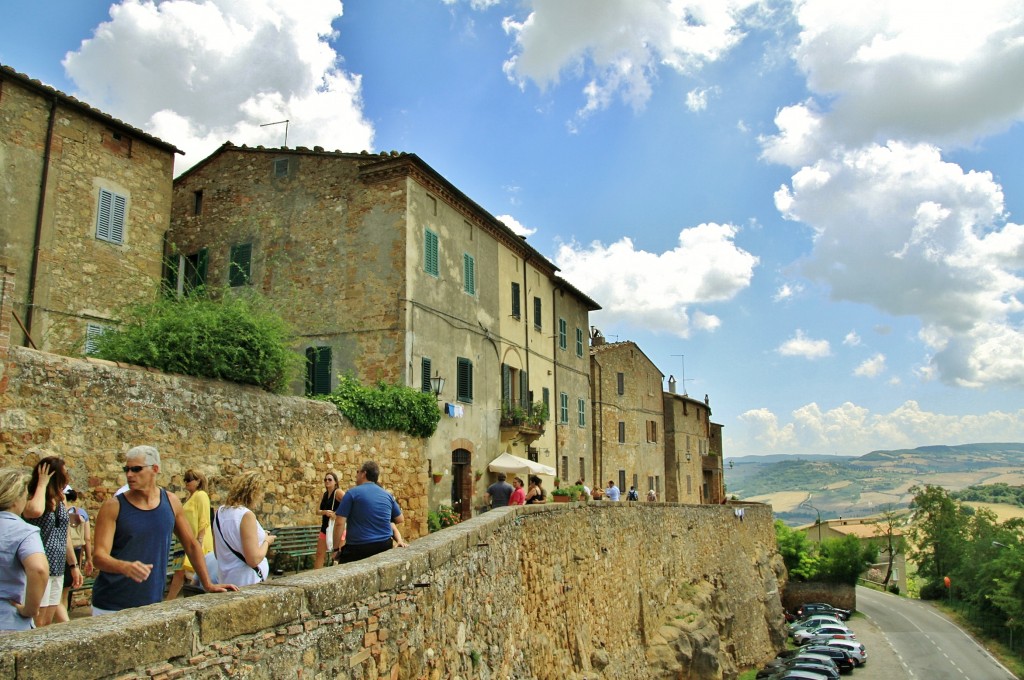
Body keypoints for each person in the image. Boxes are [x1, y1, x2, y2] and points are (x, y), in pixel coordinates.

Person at [92, 446, 236, 614]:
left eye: (136, 469)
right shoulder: (113, 506)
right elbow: (99, 557)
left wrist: (208, 583)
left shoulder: (171, 502)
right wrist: (124, 567)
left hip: (151, 602)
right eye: (127, 469)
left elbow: (190, 544)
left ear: (155, 469)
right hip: (111, 604)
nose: (129, 474)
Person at [22, 457, 80, 626]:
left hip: (57, 565)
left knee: (47, 620)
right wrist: (42, 484)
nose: (68, 475)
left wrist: (74, 565)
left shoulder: (61, 500)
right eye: (65, 471)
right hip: (39, 564)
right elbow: (35, 511)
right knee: (37, 619)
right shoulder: (33, 497)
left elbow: (65, 534)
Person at [0, 468, 49, 634]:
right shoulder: (24, 531)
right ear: (15, 499)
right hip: (7, 621)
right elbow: (39, 569)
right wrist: (30, 609)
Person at [332, 461, 403, 564]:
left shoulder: (352, 493)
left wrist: (335, 549)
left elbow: (339, 523)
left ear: (364, 474)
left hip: (359, 547)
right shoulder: (387, 495)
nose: (356, 475)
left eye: (358, 472)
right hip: (384, 546)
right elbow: (400, 519)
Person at [214, 471, 275, 587]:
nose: (262, 497)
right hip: (248, 580)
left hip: (226, 578)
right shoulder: (246, 515)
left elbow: (218, 553)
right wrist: (267, 541)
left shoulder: (220, 512)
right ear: (253, 493)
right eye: (261, 492)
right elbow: (254, 559)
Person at [166, 470, 213, 599]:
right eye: (185, 479)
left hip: (193, 540)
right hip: (184, 539)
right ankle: (170, 600)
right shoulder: (190, 497)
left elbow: (204, 519)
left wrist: (199, 541)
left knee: (189, 571)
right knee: (179, 571)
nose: (186, 482)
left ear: (198, 481)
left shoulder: (201, 495)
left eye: (189, 479)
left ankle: (172, 600)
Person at [60, 488, 92, 616]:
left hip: (59, 553)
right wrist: (89, 558)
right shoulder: (81, 513)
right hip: (75, 552)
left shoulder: (57, 512)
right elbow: (87, 538)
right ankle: (64, 615)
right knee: (66, 591)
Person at [314, 471, 344, 569]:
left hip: (337, 528)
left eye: (330, 479)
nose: (327, 481)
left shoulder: (338, 492)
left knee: (337, 557)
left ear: (335, 482)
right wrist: (325, 512)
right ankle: (315, 578)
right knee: (319, 554)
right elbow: (317, 511)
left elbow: (348, 503)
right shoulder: (325, 494)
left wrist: (336, 514)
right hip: (325, 527)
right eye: (325, 479)